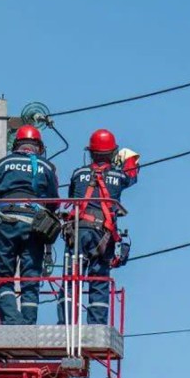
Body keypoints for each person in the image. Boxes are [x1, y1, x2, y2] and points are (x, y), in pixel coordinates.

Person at [59, 128, 139, 325]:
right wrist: (128, 159)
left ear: (91, 152)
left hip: (77, 231)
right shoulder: (118, 177)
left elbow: (72, 196)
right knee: (99, 281)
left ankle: (66, 325)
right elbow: (132, 175)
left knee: (71, 279)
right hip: (102, 235)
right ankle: (96, 324)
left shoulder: (78, 173)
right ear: (112, 154)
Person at [0, 124, 59, 325]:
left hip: (6, 223)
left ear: (16, 144)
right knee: (31, 277)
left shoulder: (4, 163)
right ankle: (28, 323)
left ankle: (11, 320)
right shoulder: (46, 167)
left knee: (2, 275)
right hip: (34, 226)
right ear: (38, 146)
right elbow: (54, 202)